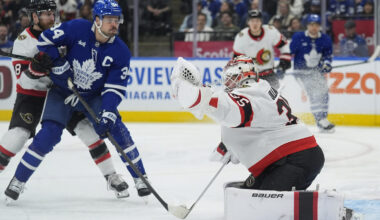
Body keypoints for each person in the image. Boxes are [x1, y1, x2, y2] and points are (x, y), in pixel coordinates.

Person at [4, 0, 151, 201]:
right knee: (45, 135)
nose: (114, 24)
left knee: (113, 128)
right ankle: (18, 181)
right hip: (58, 92)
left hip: (89, 97)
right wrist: (56, 64)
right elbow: (45, 44)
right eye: (109, 20)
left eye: (117, 20)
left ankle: (138, 178)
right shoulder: (76, 28)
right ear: (97, 20)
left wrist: (108, 111)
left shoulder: (121, 51)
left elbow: (114, 88)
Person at [170, 56, 325, 191]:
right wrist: (234, 143)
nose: (227, 82)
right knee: (246, 196)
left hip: (293, 159)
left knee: (263, 206)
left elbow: (231, 109)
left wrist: (199, 96)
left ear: (242, 75)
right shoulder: (260, 89)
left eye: (230, 77)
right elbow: (257, 122)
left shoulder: (250, 91)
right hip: (287, 158)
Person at [290, 14, 335, 133]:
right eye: (311, 25)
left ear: (319, 26)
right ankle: (319, 120)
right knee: (314, 93)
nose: (313, 27)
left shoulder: (325, 39)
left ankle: (323, 118)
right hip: (301, 73)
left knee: (324, 92)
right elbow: (290, 51)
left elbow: (327, 56)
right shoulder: (299, 37)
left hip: (316, 72)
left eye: (316, 25)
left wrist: (327, 64)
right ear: (307, 25)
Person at [232, 9, 291, 90]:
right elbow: (236, 59)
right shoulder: (241, 37)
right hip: (250, 78)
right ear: (248, 22)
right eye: (252, 21)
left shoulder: (270, 31)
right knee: (252, 101)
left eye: (257, 20)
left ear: (261, 22)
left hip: (269, 75)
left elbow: (284, 44)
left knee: (275, 100)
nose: (255, 23)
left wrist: (285, 61)